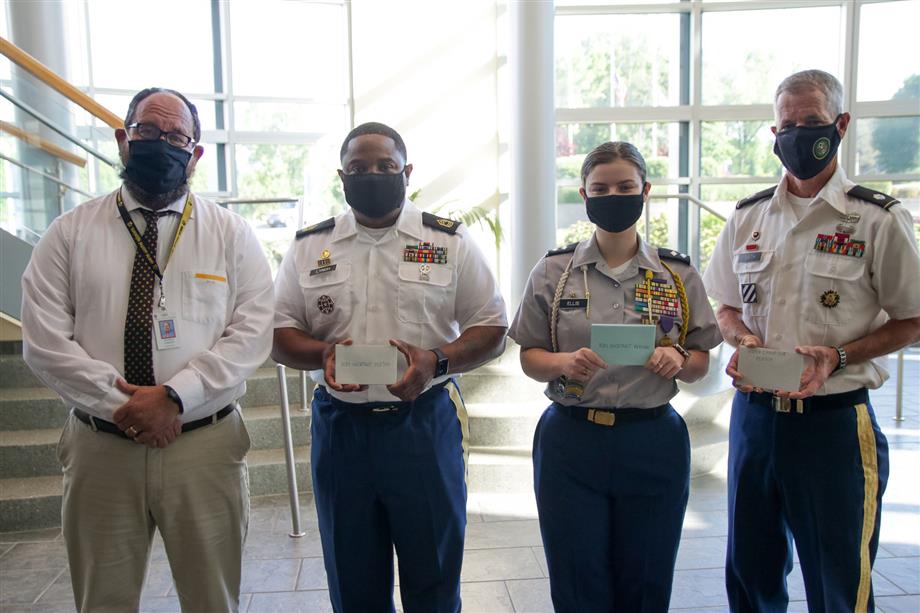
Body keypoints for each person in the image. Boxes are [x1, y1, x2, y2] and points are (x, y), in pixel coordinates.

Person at [21, 87, 274, 612]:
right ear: (123, 139)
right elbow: (45, 343)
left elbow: (251, 334)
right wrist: (130, 407)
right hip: (102, 446)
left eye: (177, 136)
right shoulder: (68, 234)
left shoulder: (231, 235)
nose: (162, 144)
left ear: (196, 152)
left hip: (204, 448)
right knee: (103, 601)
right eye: (148, 133)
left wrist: (175, 397)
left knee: (213, 600)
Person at [703, 69, 920, 613]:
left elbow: (914, 317)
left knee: (839, 581)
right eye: (788, 125)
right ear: (773, 134)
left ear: (841, 125)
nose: (799, 134)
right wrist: (741, 337)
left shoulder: (877, 219)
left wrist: (838, 355)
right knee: (750, 573)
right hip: (755, 420)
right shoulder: (749, 217)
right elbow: (723, 304)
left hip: (834, 425)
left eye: (813, 122)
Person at [272, 122, 508, 613]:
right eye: (359, 168)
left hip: (422, 426)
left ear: (408, 172)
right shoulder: (309, 247)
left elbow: (491, 327)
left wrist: (436, 360)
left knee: (435, 578)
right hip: (342, 431)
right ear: (342, 177)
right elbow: (278, 333)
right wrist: (323, 356)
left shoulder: (448, 241)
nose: (373, 175)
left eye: (386, 166)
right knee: (353, 582)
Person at [509, 141, 722, 612]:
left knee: (646, 576)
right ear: (584, 196)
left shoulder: (676, 273)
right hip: (571, 439)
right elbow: (528, 356)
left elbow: (702, 358)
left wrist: (679, 361)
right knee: (576, 576)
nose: (613, 195)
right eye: (600, 188)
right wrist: (563, 363)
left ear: (645, 191)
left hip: (651, 439)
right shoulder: (554, 272)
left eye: (625, 186)